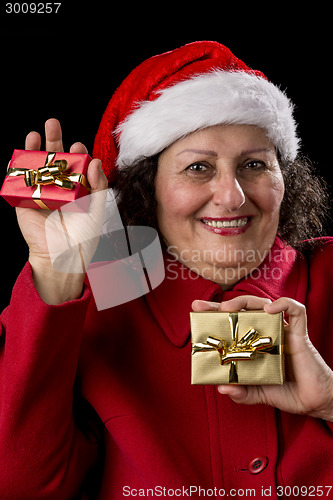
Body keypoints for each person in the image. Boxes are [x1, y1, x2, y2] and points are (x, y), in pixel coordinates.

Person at [0, 40, 332, 499]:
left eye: (255, 164)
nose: (232, 196)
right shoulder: (97, 304)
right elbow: (21, 486)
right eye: (198, 167)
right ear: (146, 188)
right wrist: (53, 271)